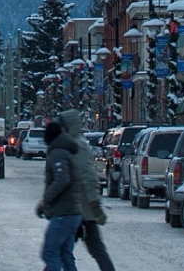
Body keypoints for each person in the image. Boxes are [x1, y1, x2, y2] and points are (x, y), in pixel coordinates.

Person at [55, 111, 115, 271]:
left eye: (61, 127)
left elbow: (89, 177)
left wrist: (95, 205)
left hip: (79, 211)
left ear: (68, 127)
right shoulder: (71, 144)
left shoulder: (77, 146)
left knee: (60, 252)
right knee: (95, 250)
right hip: (80, 211)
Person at [37, 120, 82, 271]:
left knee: (49, 253)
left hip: (63, 212)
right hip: (73, 212)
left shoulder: (57, 153)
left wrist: (45, 200)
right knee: (65, 254)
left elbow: (62, 179)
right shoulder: (66, 151)